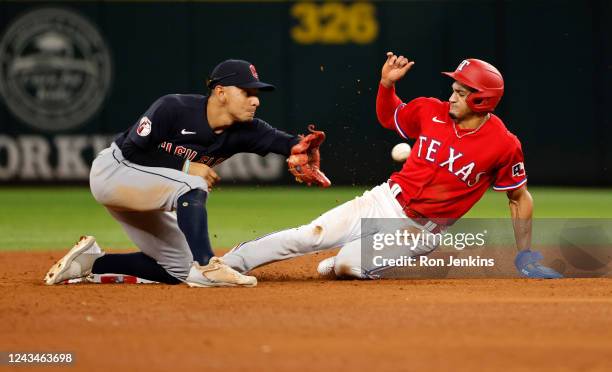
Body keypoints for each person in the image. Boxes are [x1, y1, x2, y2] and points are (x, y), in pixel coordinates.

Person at [221, 52, 563, 280]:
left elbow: (519, 198)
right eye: (454, 89)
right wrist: (387, 84)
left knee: (347, 265)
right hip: (383, 200)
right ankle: (225, 264)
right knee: (310, 235)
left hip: (419, 229)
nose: (452, 96)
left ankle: (344, 263)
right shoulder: (431, 110)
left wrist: (526, 254)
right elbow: (389, 115)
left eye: (461, 92)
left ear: (481, 99)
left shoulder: (503, 144)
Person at [44, 59, 330, 287]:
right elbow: (132, 150)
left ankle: (89, 264)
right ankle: (208, 266)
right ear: (220, 93)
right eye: (247, 92)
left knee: (178, 269)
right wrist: (185, 166)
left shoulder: (248, 129)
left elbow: (286, 143)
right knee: (192, 184)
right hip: (114, 172)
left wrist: (301, 148)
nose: (256, 100)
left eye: (256, 94)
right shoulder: (173, 108)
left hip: (148, 190)